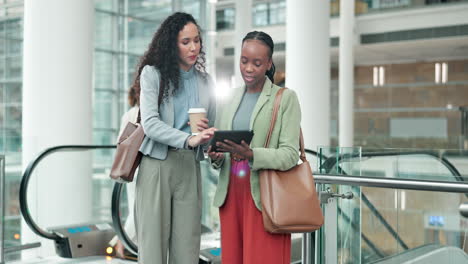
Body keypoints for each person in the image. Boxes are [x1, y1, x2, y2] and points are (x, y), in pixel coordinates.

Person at [208, 31, 302, 264]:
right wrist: (215, 155)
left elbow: (290, 154)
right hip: (230, 196)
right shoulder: (229, 98)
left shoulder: (285, 98)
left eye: (257, 63)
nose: (248, 68)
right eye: (244, 61)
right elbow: (221, 148)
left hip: (264, 198)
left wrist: (252, 155)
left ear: (269, 63)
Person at [133, 12, 216, 264]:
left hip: (189, 167)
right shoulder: (153, 74)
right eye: (185, 42)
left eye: (197, 40)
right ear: (172, 44)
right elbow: (150, 124)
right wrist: (187, 139)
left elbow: (211, 128)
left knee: (188, 248)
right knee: (153, 249)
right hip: (157, 165)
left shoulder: (206, 81)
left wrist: (211, 142)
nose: (193, 47)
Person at [108, 86, 139, 258]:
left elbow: (121, 141)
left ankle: (123, 243)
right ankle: (121, 241)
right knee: (137, 207)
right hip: (137, 168)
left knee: (136, 205)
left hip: (131, 168)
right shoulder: (137, 113)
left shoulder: (129, 113)